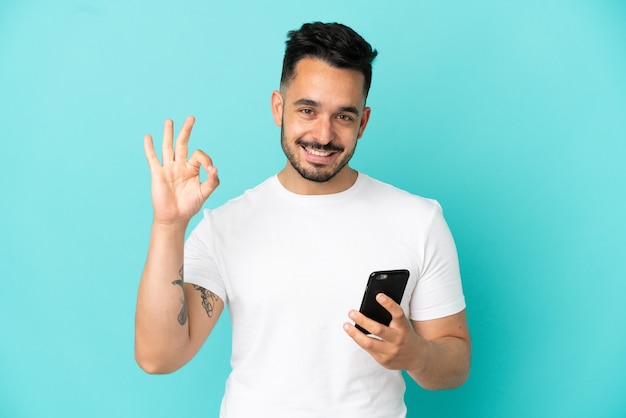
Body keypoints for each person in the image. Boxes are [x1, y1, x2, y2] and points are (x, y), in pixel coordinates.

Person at [135, 22, 471, 417]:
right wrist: (169, 227)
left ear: (362, 122)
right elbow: (159, 357)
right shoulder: (226, 226)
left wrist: (416, 354)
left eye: (343, 117)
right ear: (278, 107)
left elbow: (454, 366)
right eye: (307, 110)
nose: (323, 135)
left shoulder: (419, 220)